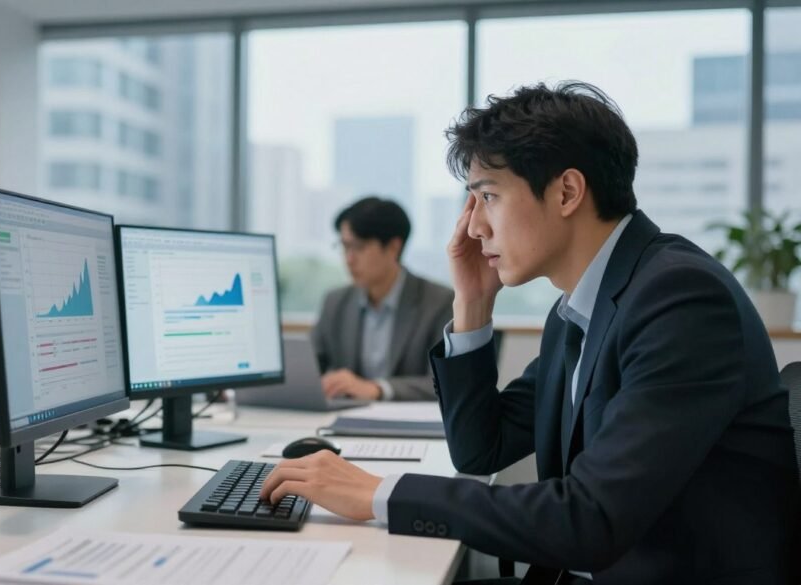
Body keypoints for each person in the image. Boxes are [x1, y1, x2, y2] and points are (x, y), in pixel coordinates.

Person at [261, 82, 798, 583]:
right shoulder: (579, 309)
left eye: (488, 196)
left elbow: (592, 519)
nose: (474, 227)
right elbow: (481, 449)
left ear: (567, 192)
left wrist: (380, 494)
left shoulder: (678, 300)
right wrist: (472, 306)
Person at [312, 196, 452, 401]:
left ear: (393, 247)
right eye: (344, 246)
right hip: (346, 415)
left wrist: (378, 389)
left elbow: (446, 382)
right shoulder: (335, 302)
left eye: (358, 247)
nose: (349, 259)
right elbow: (310, 370)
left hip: (406, 417)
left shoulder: (439, 302)